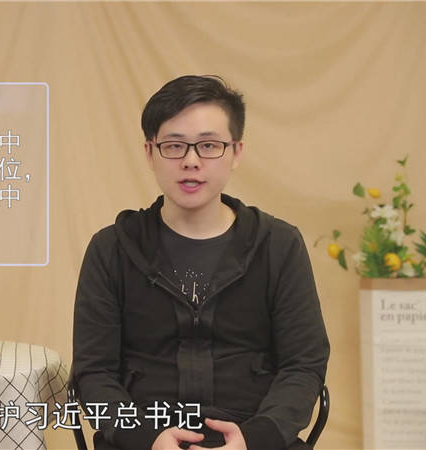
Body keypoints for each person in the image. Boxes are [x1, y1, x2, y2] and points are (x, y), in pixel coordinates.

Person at [72, 75, 330, 450]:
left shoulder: (279, 245)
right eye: (174, 146)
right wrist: (147, 438)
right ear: (149, 152)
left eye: (209, 145)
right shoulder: (111, 249)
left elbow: (303, 366)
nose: (191, 161)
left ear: (236, 152)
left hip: (253, 439)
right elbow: (94, 373)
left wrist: (253, 439)